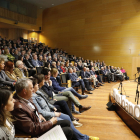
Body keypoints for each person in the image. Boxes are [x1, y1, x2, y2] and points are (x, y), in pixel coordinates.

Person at [31, 78, 98, 140]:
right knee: (66, 120)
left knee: (67, 117)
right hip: (48, 116)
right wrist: (54, 113)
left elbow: (46, 102)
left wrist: (52, 107)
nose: (38, 85)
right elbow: (41, 111)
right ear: (32, 88)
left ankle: (80, 136)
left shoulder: (38, 92)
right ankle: (83, 138)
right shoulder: (33, 97)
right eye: (36, 84)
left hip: (51, 109)